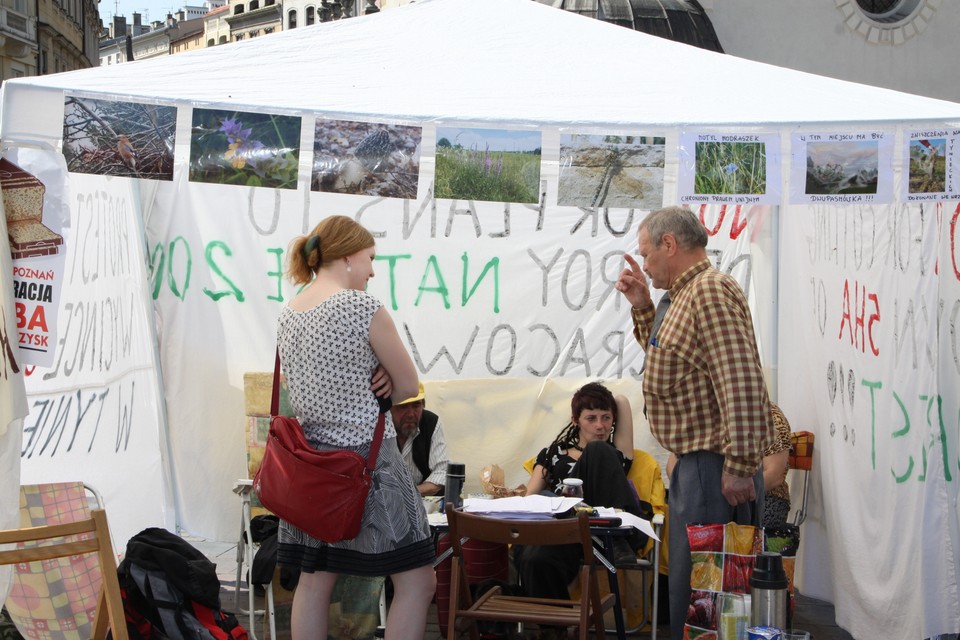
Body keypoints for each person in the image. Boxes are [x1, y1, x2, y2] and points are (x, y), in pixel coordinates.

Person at [616, 206, 773, 640]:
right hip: (698, 468)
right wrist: (644, 306)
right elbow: (675, 361)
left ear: (670, 244)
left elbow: (739, 381)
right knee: (697, 592)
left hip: (715, 468)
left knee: (710, 594)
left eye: (646, 253)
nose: (644, 264)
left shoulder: (709, 292)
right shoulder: (683, 295)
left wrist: (740, 465)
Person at [276, 215, 435, 640]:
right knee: (418, 580)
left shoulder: (289, 313)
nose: (372, 269)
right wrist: (384, 370)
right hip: (369, 463)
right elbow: (406, 387)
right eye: (369, 258)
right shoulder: (361, 307)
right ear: (347, 256)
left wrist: (374, 367)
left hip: (313, 469)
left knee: (315, 581)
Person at [515, 382, 649, 621]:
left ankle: (618, 538)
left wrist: (605, 401)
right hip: (562, 530)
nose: (600, 425)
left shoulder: (613, 453)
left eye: (606, 417)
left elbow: (622, 401)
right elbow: (530, 499)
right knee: (534, 558)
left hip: (598, 530)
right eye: (591, 418)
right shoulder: (554, 453)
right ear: (575, 420)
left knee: (597, 450)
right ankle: (555, 629)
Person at [667, 401, 793, 528]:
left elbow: (775, 475)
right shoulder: (704, 415)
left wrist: (727, 492)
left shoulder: (770, 415)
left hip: (765, 498)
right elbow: (672, 467)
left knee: (715, 522)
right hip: (710, 495)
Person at [390, 382, 450, 496]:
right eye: (403, 407)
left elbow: (443, 472)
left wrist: (409, 494)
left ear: (423, 406)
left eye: (416, 405)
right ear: (390, 409)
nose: (411, 414)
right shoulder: (377, 428)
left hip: (421, 501)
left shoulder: (431, 423)